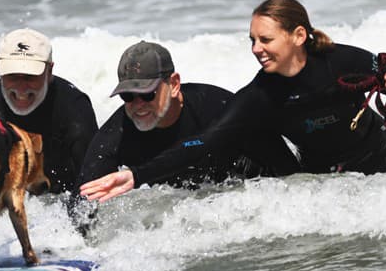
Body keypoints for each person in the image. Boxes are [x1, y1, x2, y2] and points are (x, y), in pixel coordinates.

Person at [81, 0, 386, 203]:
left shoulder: (345, 61)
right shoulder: (259, 96)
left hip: (384, 164)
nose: (256, 49)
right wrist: (138, 176)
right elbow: (204, 142)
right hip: (325, 181)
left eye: (265, 39)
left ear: (297, 35)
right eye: (251, 40)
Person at [80, 40, 299, 189]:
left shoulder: (219, 108)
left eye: (147, 94)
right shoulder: (115, 135)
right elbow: (83, 199)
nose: (138, 105)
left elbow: (290, 174)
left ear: (174, 84)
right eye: (127, 96)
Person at [0, 28, 98, 200]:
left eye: (30, 76)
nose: (21, 88)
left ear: (49, 72)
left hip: (62, 198)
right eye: (12, 76)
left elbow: (91, 186)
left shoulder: (75, 110)